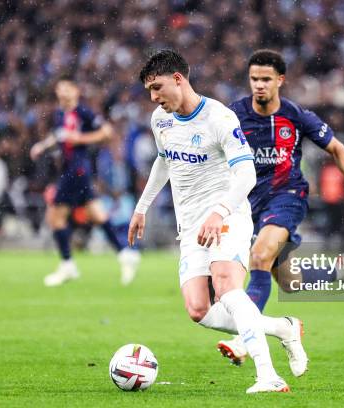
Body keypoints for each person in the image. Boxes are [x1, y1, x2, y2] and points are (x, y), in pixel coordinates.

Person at [128, 50, 307, 393]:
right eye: (149, 90)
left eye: (157, 87)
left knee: (227, 286)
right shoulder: (160, 120)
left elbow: (246, 173)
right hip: (192, 226)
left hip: (228, 216)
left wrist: (219, 211)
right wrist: (142, 207)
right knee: (198, 309)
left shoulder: (219, 118)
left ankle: (267, 375)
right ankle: (284, 328)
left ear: (178, 79)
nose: (153, 97)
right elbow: (163, 161)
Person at [217, 49, 344, 365]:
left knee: (259, 257)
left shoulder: (296, 115)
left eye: (266, 79)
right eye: (254, 79)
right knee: (292, 283)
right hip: (249, 205)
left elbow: (337, 148)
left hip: (286, 197)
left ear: (280, 80)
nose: (259, 85)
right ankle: (336, 270)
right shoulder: (232, 114)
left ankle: (243, 340)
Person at [30, 78, 140, 287]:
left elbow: (106, 132)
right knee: (97, 214)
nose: (61, 92)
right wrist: (42, 146)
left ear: (75, 91)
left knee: (55, 216)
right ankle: (125, 254)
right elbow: (60, 135)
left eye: (66, 88)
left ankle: (67, 264)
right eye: (58, 89)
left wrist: (80, 139)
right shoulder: (60, 114)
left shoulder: (84, 113)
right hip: (73, 170)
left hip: (77, 170)